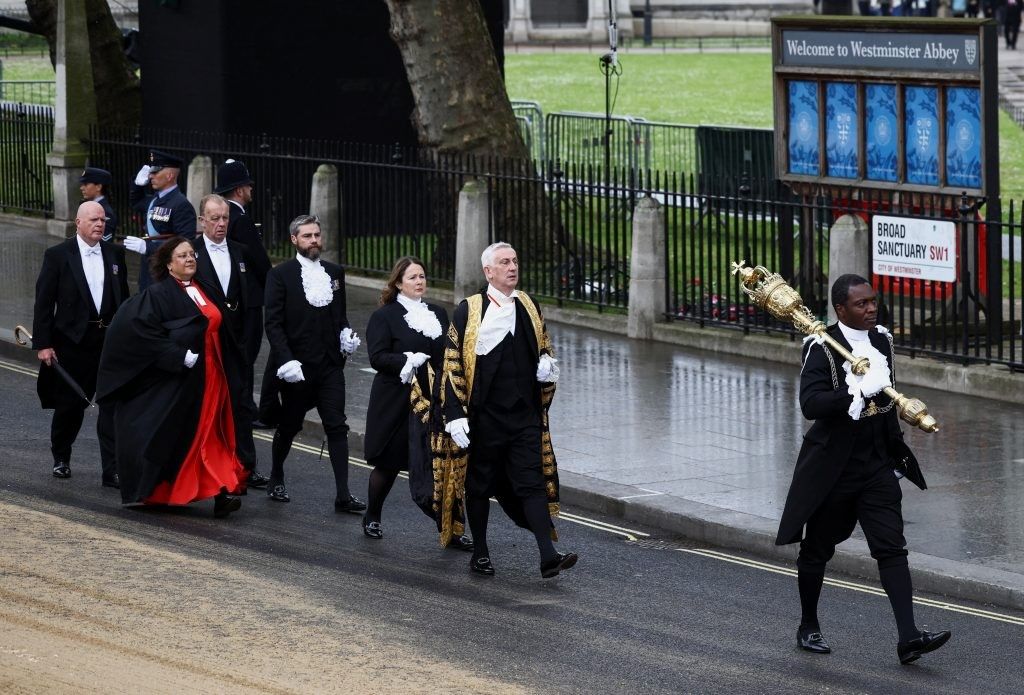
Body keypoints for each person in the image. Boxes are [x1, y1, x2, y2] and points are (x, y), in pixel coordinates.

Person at [777, 274, 950, 665]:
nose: (871, 309)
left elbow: (888, 402)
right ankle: (808, 625)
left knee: (891, 548)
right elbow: (811, 404)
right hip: (834, 471)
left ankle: (908, 638)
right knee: (817, 550)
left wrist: (896, 457)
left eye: (873, 301)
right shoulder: (820, 348)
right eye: (861, 304)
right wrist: (852, 392)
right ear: (841, 310)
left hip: (876, 467)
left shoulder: (882, 341)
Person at [436, 241, 575, 579]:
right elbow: (452, 362)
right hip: (484, 417)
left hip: (524, 415)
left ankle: (547, 556)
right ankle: (480, 553)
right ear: (489, 271)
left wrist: (546, 372)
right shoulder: (469, 310)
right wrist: (454, 414)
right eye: (504, 262)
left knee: (531, 483)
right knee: (480, 486)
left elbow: (544, 348)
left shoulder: (529, 304)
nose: (512, 267)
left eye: (515, 261)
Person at [96, 236, 246, 518]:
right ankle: (204, 490)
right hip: (184, 380)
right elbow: (138, 331)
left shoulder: (206, 288)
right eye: (182, 256)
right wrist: (177, 356)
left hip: (215, 375)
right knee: (193, 435)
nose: (190, 259)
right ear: (168, 264)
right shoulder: (158, 295)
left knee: (215, 431)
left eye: (192, 254)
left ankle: (222, 488)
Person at [361, 257, 473, 550]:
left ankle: (449, 530)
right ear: (398, 282)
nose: (419, 282)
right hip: (396, 401)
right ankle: (372, 516)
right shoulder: (384, 316)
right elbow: (377, 356)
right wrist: (406, 360)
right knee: (389, 464)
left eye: (422, 276)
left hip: (433, 401)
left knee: (435, 465)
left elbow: (450, 354)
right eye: (412, 278)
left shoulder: (436, 312)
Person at [263, 214, 365, 513]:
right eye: (307, 236)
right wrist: (286, 360)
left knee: (337, 426)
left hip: (331, 367)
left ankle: (343, 495)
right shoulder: (280, 275)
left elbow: (341, 316)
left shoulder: (335, 272)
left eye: (317, 235)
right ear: (294, 240)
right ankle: (276, 475)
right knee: (290, 424)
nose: (314, 241)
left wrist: (346, 335)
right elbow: (273, 324)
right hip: (298, 369)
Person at [31, 201, 130, 486]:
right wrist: (44, 344)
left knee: (110, 406)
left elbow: (122, 300)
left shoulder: (114, 254)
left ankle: (111, 470)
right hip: (72, 342)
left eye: (103, 220)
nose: (100, 224)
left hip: (107, 341)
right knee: (70, 404)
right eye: (94, 220)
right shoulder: (58, 255)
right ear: (78, 223)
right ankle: (61, 457)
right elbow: (44, 303)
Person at [192, 193, 269, 489]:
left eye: (225, 218)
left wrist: (250, 344)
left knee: (241, 406)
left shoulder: (241, 252)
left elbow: (253, 299)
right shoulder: (192, 254)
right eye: (215, 218)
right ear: (202, 221)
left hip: (238, 345)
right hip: (207, 345)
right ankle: (210, 465)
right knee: (209, 407)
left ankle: (247, 466)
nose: (221, 223)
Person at [215, 159, 276, 429]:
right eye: (249, 185)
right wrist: (275, 287)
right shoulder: (240, 219)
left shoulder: (225, 217)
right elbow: (259, 261)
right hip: (249, 299)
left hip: (231, 297)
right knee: (247, 354)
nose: (252, 190)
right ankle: (246, 408)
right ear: (239, 189)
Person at [125, 149, 197, 290]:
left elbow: (185, 242)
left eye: (155, 172)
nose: (151, 176)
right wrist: (137, 185)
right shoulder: (155, 200)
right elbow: (136, 202)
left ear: (169, 175)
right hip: (149, 268)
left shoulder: (181, 204)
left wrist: (148, 247)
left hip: (167, 273)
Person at [78, 167, 117, 242]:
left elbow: (102, 243)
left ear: (98, 187)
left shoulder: (105, 212)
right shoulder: (87, 206)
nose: (81, 188)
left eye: (85, 184)